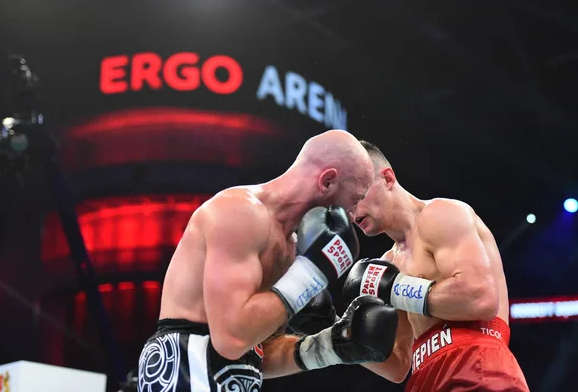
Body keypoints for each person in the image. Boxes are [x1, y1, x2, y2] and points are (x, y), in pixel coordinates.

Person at [137, 130, 399, 392]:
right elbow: (230, 339)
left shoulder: (290, 247)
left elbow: (258, 350)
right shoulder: (240, 213)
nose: (352, 215)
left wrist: (331, 345)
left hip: (231, 377)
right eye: (354, 199)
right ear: (328, 181)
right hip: (185, 365)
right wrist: (310, 275)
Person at [339, 140, 530, 391]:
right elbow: (398, 365)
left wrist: (394, 288)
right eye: (345, 205)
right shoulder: (387, 264)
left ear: (387, 178)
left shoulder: (442, 214)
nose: (351, 213)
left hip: (475, 364)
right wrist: (339, 336)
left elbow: (480, 299)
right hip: (424, 377)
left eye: (357, 197)